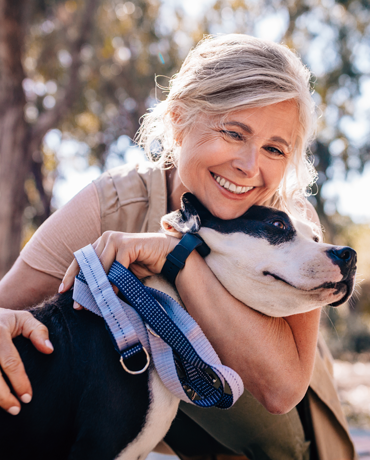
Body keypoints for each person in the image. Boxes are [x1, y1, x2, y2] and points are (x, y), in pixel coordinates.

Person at [0, 34, 356, 460]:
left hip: (283, 443)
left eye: (274, 149)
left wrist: (177, 257)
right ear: (179, 121)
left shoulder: (293, 226)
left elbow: (280, 391)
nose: (248, 166)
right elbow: (6, 306)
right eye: (233, 132)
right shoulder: (112, 203)